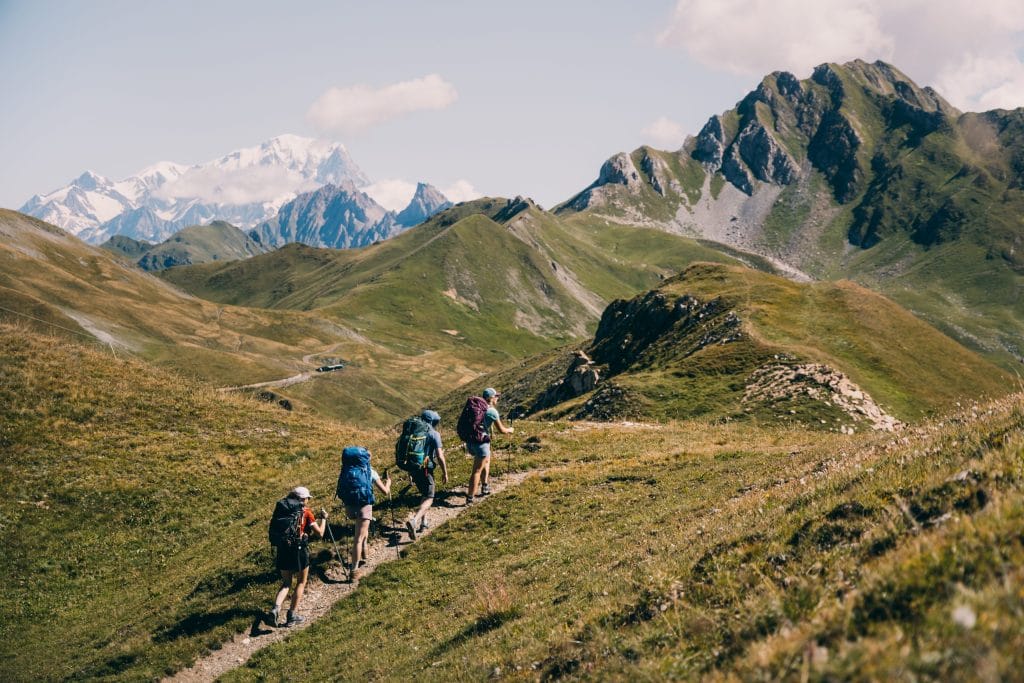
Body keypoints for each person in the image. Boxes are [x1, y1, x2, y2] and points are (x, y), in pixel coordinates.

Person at [268, 486, 327, 627]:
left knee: (286, 583)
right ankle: (292, 615)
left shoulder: (282, 509)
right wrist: (324, 519)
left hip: (282, 549)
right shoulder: (306, 512)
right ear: (302, 499)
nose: (308, 500)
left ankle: (275, 609)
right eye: (307, 498)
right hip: (299, 550)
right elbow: (320, 533)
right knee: (301, 581)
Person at [338, 447, 392, 581]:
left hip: (350, 506)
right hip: (364, 505)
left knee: (361, 529)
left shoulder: (346, 470)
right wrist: (389, 482)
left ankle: (365, 550)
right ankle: (354, 571)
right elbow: (385, 491)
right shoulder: (370, 471)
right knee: (358, 538)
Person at [406, 409, 449, 540]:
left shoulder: (413, 432)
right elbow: (440, 456)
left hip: (413, 468)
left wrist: (409, 472)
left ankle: (424, 522)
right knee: (430, 497)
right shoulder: (434, 434)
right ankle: (415, 520)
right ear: (432, 421)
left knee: (424, 494)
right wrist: (445, 472)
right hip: (425, 469)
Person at [466, 387, 513, 505]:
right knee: (476, 470)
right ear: (491, 398)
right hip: (482, 443)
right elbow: (502, 430)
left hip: (471, 441)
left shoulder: (476, 407)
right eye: (496, 396)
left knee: (485, 462)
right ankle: (470, 498)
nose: (498, 398)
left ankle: (485, 486)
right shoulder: (492, 411)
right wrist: (510, 430)